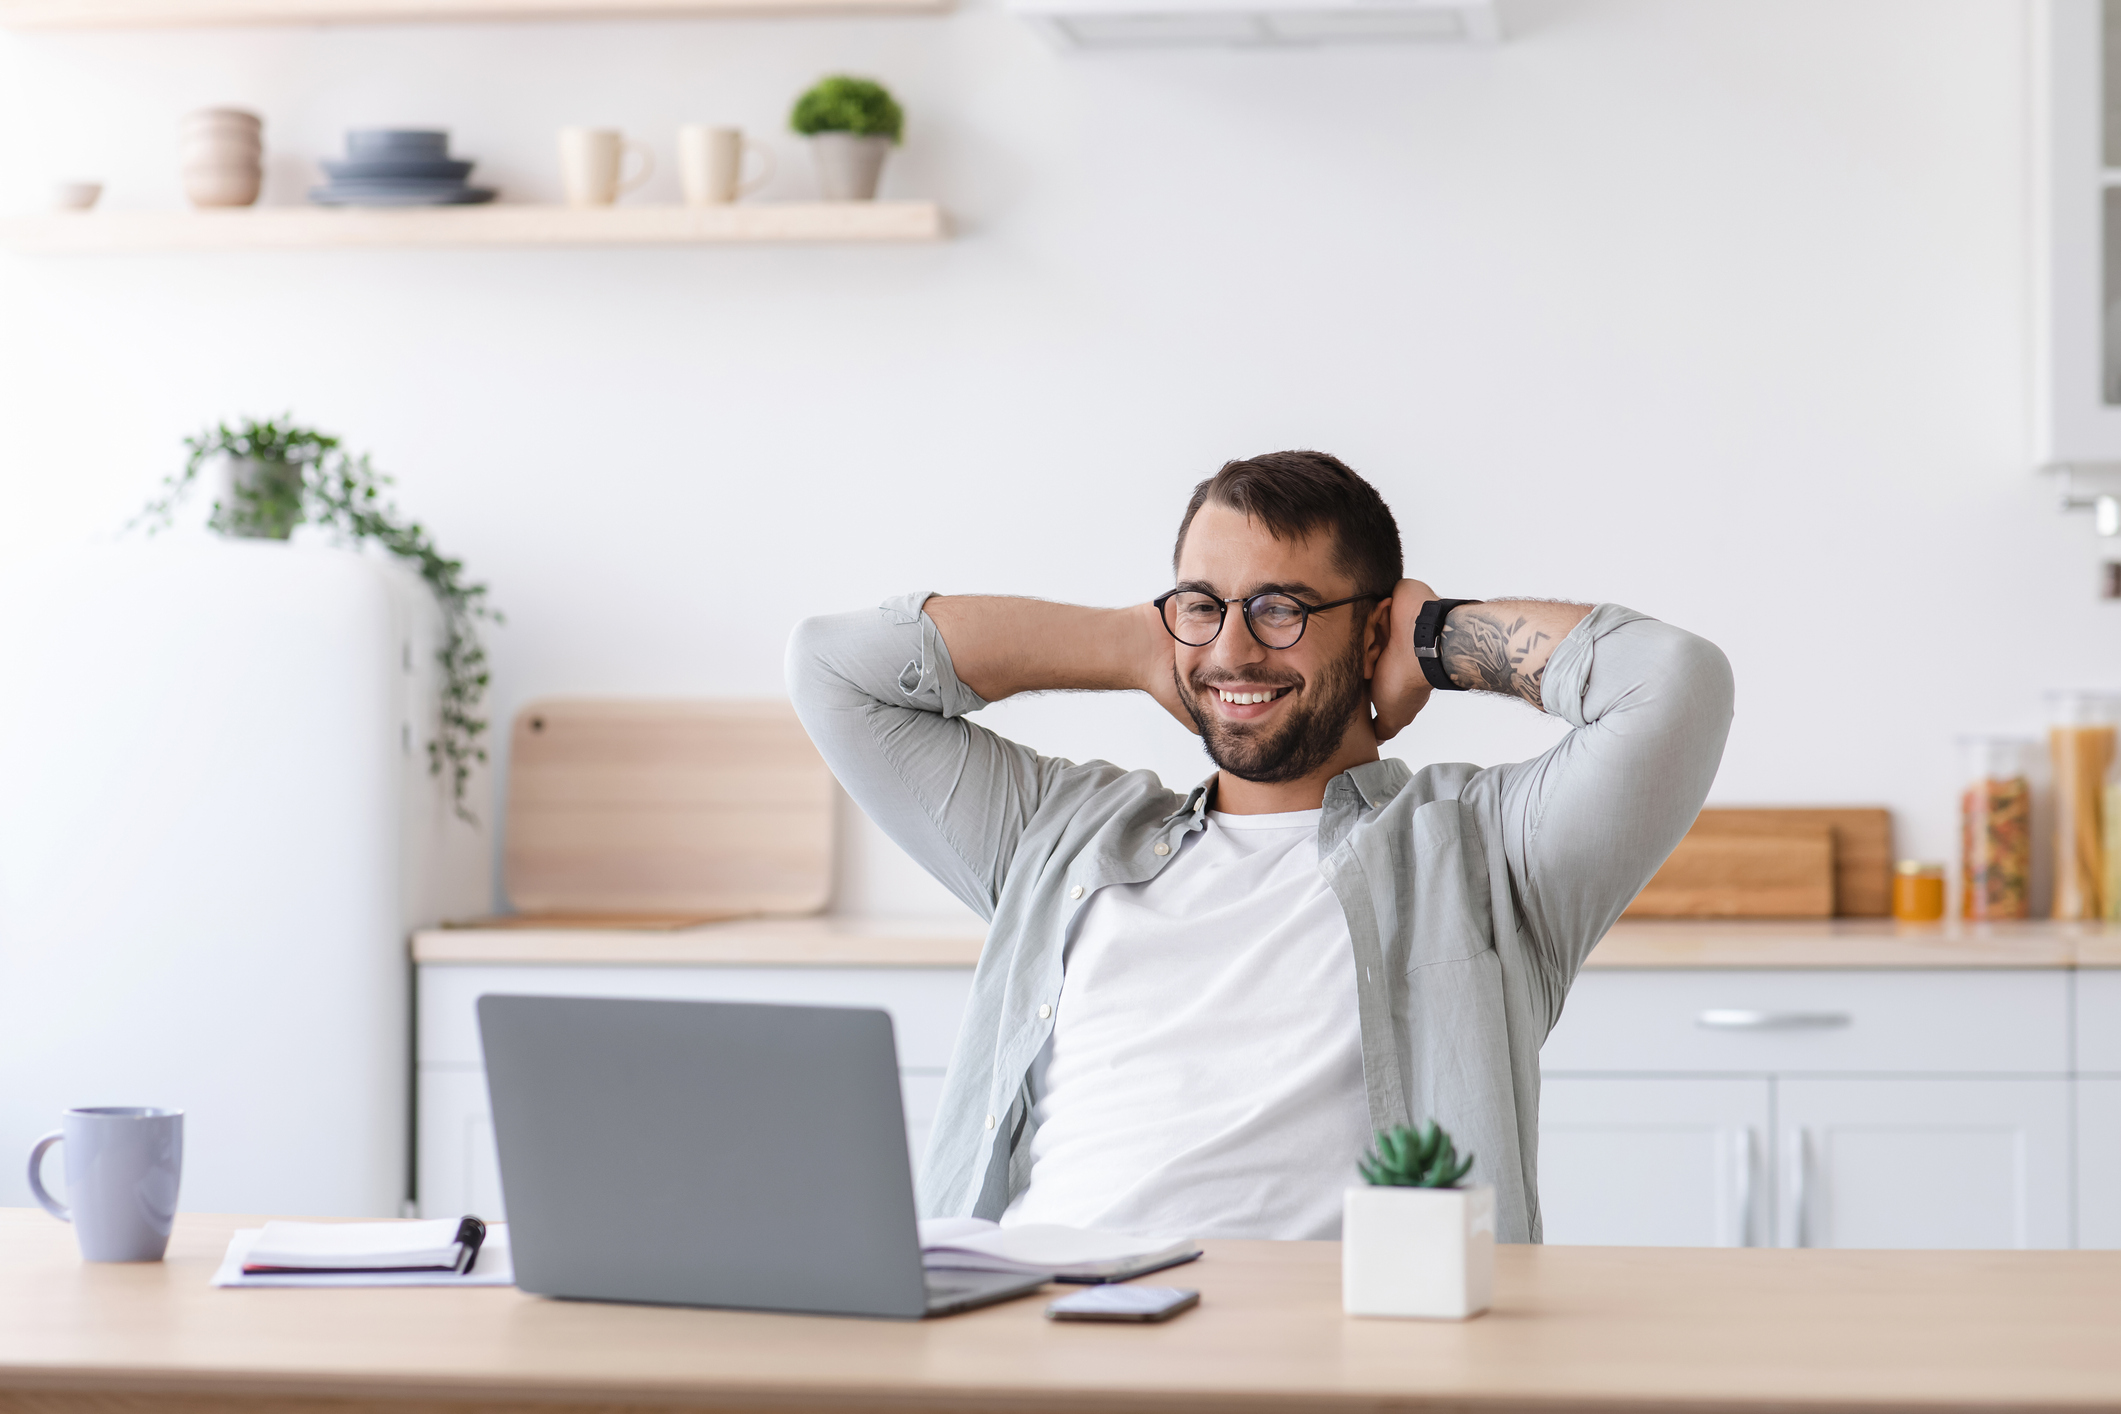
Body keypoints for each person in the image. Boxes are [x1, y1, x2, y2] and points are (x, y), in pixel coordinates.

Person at [786, 451, 1733, 1243]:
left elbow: (1671, 681)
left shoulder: (1485, 854)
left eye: (1280, 608)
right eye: (1205, 603)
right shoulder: (1060, 834)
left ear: (1369, 632)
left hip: (1327, 1365)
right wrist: (1137, 642)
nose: (1235, 650)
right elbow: (834, 670)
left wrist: (1439, 638)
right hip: (1043, 1338)